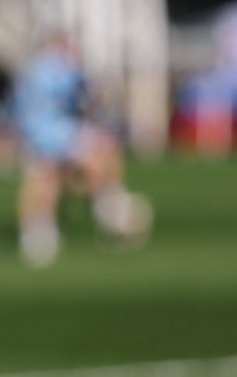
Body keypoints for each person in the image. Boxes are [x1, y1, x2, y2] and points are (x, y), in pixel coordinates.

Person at [11, 34, 152, 266]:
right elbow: (86, 99)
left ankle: (39, 231)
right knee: (95, 153)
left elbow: (20, 103)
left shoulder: (33, 68)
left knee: (47, 177)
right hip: (52, 130)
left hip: (36, 131)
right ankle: (108, 207)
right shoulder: (60, 68)